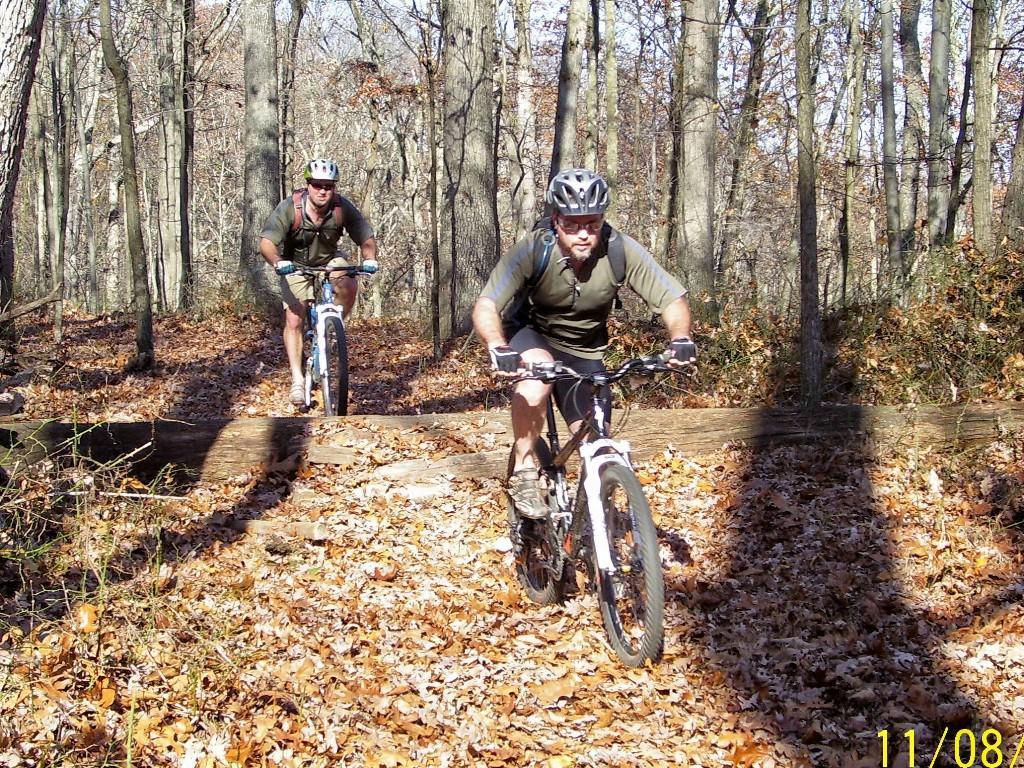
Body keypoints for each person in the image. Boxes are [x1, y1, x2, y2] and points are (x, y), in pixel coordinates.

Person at [471, 168, 697, 519]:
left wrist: (680, 338)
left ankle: (595, 534)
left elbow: (672, 300)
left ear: (602, 220)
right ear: (556, 219)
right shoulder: (533, 249)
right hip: (532, 334)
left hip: (585, 351)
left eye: (591, 224)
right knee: (535, 386)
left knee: (593, 443)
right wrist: (498, 347)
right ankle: (526, 469)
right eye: (572, 225)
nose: (582, 235)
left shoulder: (619, 248)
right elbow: (487, 304)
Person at [260, 158, 378, 406]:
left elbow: (366, 237)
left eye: (328, 185)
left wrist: (370, 258)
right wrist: (278, 262)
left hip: (328, 260)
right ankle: (297, 379)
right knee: (294, 318)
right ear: (308, 185)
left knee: (349, 283)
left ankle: (332, 328)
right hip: (295, 264)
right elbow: (267, 243)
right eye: (317, 185)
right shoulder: (291, 208)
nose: (323, 190)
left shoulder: (341, 207)